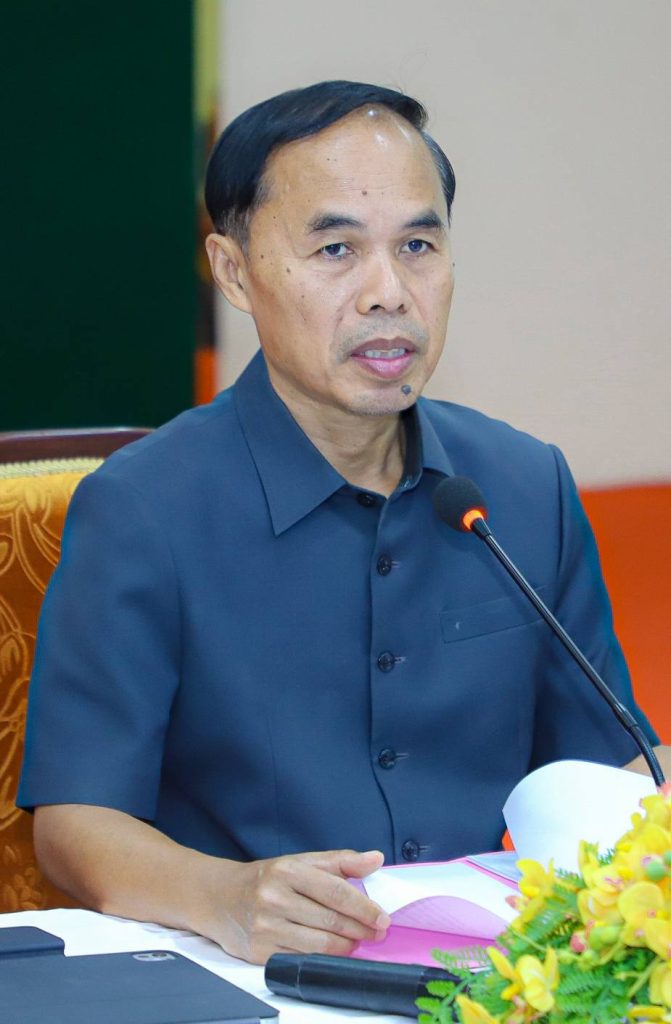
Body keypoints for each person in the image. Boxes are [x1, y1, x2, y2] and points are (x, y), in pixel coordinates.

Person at [18, 80, 667, 965]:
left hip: (485, 972)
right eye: (335, 249)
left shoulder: (521, 486)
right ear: (234, 272)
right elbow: (74, 821)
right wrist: (223, 896)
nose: (387, 292)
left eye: (418, 245)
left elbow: (612, 769)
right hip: (242, 971)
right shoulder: (145, 509)